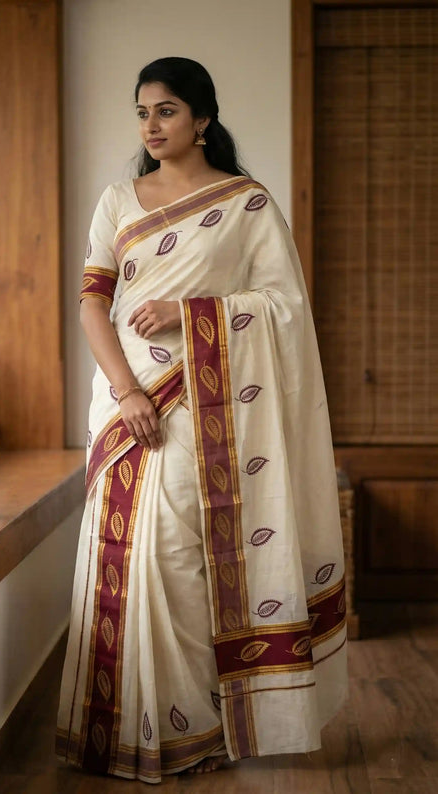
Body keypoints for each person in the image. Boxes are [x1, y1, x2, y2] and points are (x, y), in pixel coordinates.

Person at [55, 56, 348, 784]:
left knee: (183, 561)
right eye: (142, 113)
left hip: (204, 410)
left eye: (167, 111)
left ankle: (199, 727)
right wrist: (127, 393)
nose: (151, 126)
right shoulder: (119, 200)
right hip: (129, 406)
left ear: (203, 120)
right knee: (127, 555)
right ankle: (122, 731)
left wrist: (192, 316)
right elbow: (93, 304)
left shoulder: (245, 205)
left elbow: (283, 311)